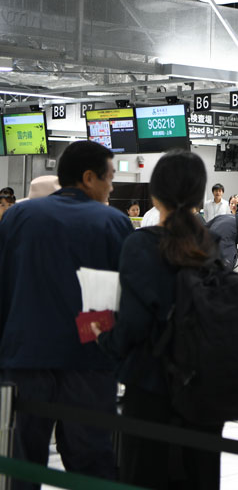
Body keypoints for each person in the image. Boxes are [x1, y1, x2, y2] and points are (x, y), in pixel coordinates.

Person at [0, 141, 133, 488]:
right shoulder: (113, 222)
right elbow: (124, 298)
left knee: (21, 462)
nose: (112, 187)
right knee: (90, 462)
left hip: (24, 359)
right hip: (88, 359)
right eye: (109, 178)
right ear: (89, 178)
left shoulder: (17, 217)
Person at [94, 150, 225, 489]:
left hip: (152, 386)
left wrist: (102, 336)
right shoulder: (210, 244)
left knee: (146, 474)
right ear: (200, 194)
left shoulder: (141, 244)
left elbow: (133, 325)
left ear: (155, 194)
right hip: (206, 387)